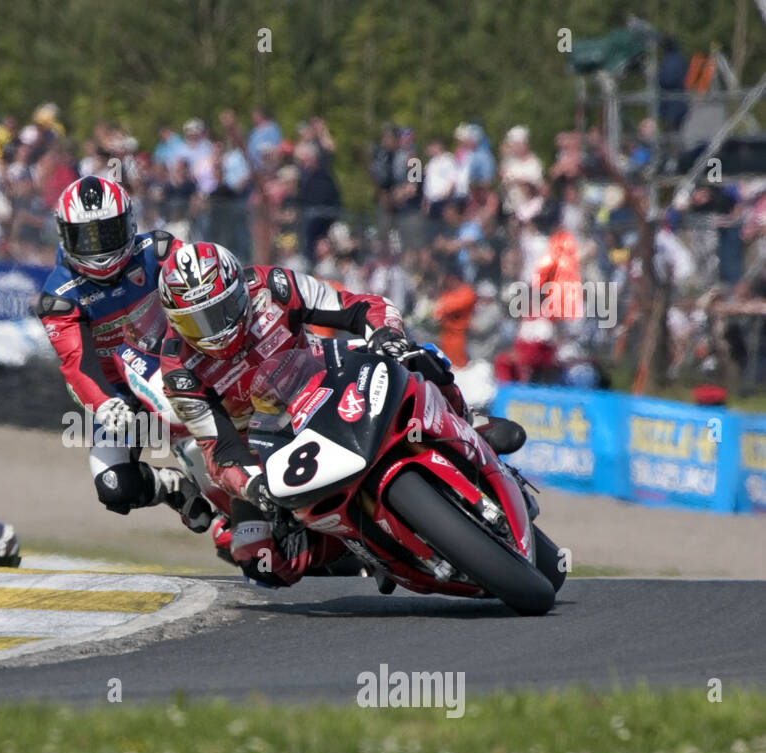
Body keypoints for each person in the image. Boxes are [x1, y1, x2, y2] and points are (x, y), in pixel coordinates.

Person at [156, 242, 525, 587]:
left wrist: (385, 332)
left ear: (239, 291)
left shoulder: (273, 286)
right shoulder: (178, 367)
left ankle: (465, 420)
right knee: (258, 560)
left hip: (328, 376)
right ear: (175, 322)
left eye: (221, 311)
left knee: (415, 355)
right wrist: (253, 486)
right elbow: (218, 449)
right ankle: (350, 546)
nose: (216, 331)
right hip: (263, 445)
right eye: (198, 323)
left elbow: (358, 306)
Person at [31, 175, 209, 527]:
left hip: (178, 362)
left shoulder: (159, 251)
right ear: (65, 236)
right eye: (85, 237)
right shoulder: (59, 297)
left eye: (107, 233)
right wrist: (104, 404)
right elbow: (76, 364)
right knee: (114, 487)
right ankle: (171, 486)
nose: (97, 248)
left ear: (128, 224)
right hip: (118, 395)